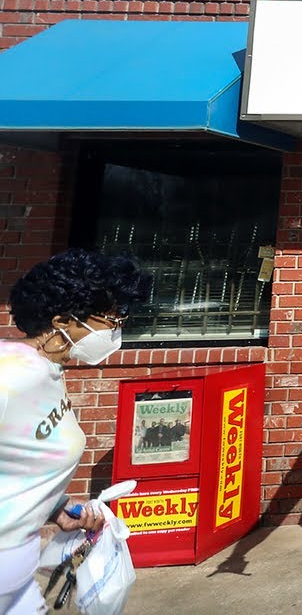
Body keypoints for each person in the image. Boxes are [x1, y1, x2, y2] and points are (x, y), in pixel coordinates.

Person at [1, 248, 151, 614]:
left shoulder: (48, 372)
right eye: (110, 319)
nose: (117, 329)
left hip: (17, 577)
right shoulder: (11, 376)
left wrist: (54, 506)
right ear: (63, 321)